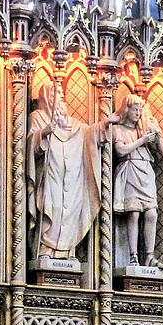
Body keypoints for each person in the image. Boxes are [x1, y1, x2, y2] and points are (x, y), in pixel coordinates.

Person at [27, 82, 117, 259]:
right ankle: (45, 250)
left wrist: (106, 122)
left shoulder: (74, 124)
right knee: (52, 207)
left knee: (71, 209)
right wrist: (44, 132)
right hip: (51, 174)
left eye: (61, 93)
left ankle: (67, 252)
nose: (60, 96)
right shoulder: (38, 117)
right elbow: (31, 145)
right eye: (55, 93)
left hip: (73, 176)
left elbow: (89, 133)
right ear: (46, 97)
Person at [112, 94, 163, 267]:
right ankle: (133, 255)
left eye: (140, 110)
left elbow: (162, 152)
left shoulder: (142, 129)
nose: (137, 113)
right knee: (134, 213)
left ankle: (149, 256)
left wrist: (158, 134)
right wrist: (141, 141)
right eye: (135, 109)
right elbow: (120, 150)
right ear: (126, 110)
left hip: (146, 171)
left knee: (151, 213)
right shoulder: (119, 129)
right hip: (130, 170)